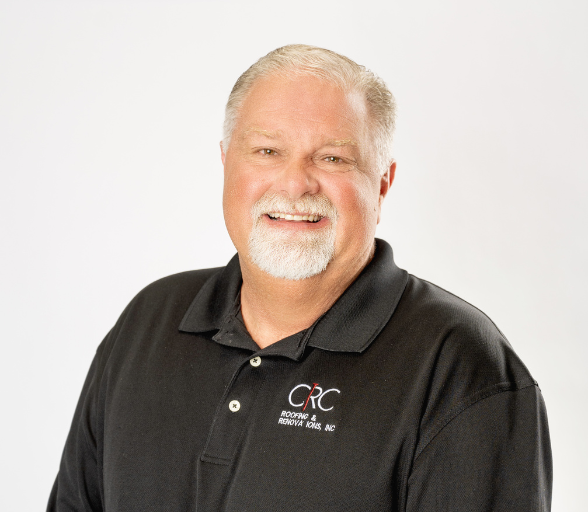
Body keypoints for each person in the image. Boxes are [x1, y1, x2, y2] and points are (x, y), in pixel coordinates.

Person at [48, 44, 552, 512]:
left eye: (333, 158)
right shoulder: (149, 321)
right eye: (267, 151)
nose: (295, 184)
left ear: (382, 183)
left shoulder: (461, 366)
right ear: (226, 162)